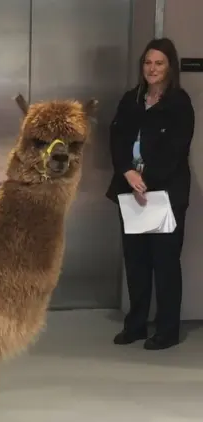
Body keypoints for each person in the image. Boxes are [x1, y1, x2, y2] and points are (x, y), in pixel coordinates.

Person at [106, 37, 195, 350]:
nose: (152, 68)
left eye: (159, 63)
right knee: (136, 262)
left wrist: (146, 178)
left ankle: (168, 330)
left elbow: (175, 150)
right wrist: (127, 172)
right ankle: (136, 325)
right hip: (131, 193)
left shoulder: (179, 103)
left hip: (163, 195)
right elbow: (116, 138)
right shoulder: (131, 99)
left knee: (165, 262)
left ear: (170, 66)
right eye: (147, 62)